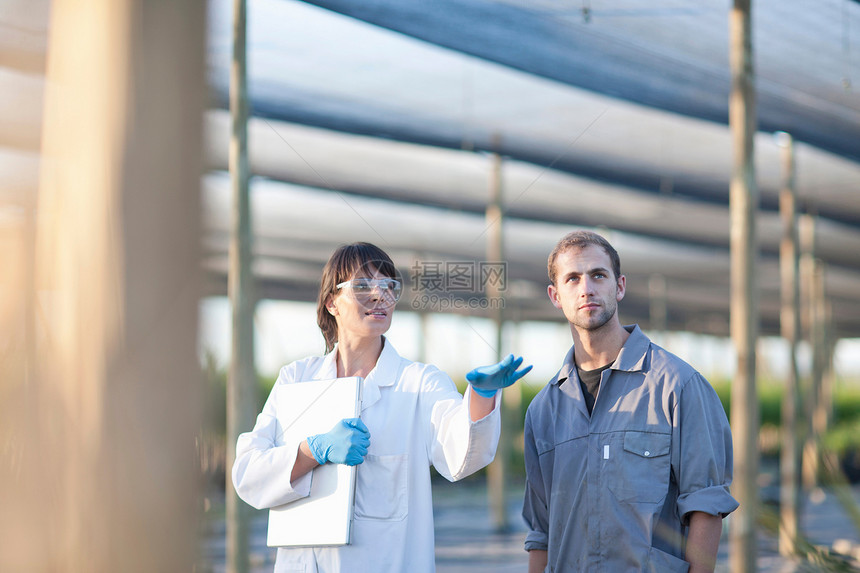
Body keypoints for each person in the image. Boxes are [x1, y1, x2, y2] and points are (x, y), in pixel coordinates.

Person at [232, 242, 531, 573]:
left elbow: (460, 455)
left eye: (389, 286)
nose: (380, 295)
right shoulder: (296, 380)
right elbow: (248, 474)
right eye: (362, 286)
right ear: (332, 302)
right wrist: (312, 451)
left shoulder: (419, 383)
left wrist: (481, 397)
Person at [522, 231, 738, 573]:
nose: (586, 288)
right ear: (555, 296)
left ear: (619, 286)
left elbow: (705, 507)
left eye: (598, 275)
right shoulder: (543, 411)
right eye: (573, 278)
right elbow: (541, 532)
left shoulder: (677, 385)